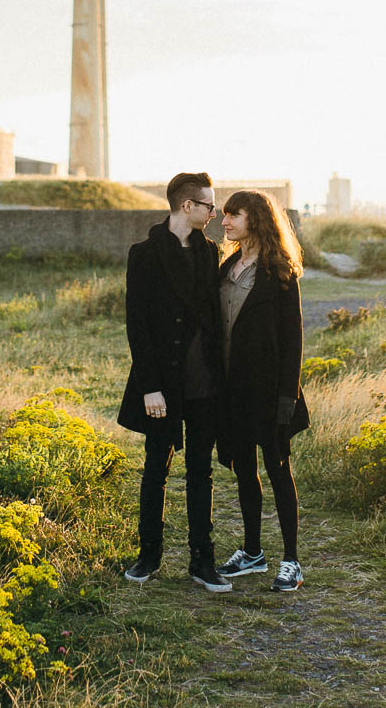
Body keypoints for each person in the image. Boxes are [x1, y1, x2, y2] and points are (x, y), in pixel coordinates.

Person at [115, 171, 232, 592]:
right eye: (209, 205)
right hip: (161, 382)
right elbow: (137, 324)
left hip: (204, 383)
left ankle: (203, 561)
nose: (214, 212)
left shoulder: (210, 252)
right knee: (155, 469)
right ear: (188, 206)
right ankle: (149, 558)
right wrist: (149, 386)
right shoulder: (143, 254)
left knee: (201, 472)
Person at [215, 188, 311, 591]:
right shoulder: (228, 266)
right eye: (224, 215)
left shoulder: (280, 272)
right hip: (231, 390)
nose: (225, 222)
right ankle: (252, 553)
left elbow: (294, 342)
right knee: (243, 471)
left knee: (278, 471)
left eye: (232, 215)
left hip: (270, 392)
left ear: (254, 218)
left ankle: (291, 560)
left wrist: (287, 398)